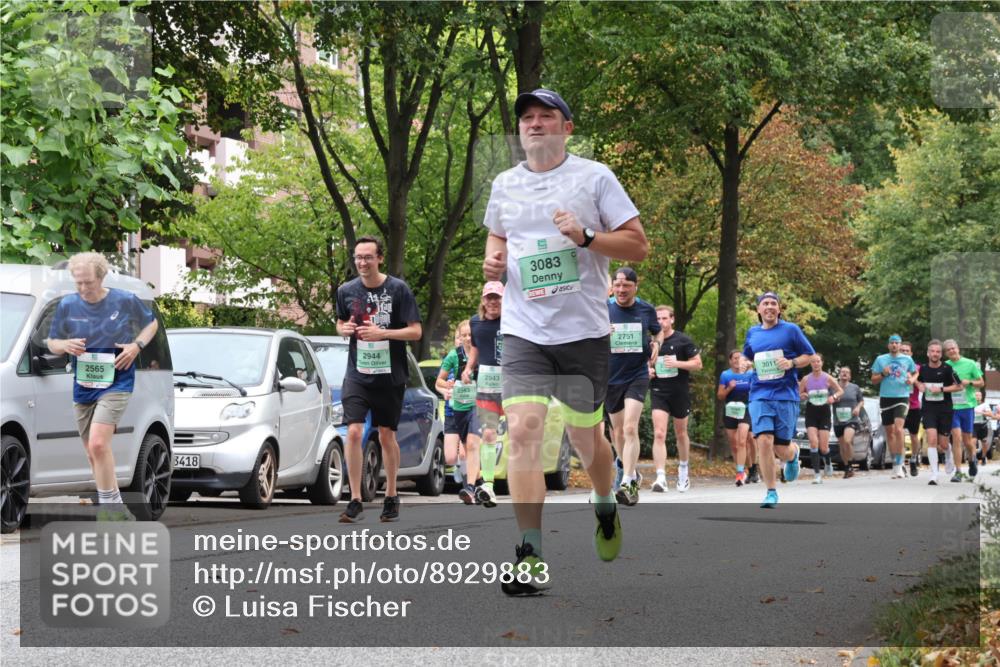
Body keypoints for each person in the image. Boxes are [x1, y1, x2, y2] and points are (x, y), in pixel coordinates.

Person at [481, 87, 648, 595]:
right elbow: (498, 238)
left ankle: (604, 502)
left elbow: (638, 246)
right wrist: (493, 266)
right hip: (524, 330)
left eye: (546, 117)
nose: (534, 124)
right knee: (525, 430)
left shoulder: (594, 177)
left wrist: (587, 238)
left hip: (583, 334)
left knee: (584, 438)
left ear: (566, 128)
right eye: (527, 117)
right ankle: (530, 553)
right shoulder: (504, 183)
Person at [47, 252, 159, 521]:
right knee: (92, 451)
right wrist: (64, 345)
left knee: (98, 444)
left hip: (117, 381)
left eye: (89, 283)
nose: (84, 289)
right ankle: (116, 505)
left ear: (101, 277)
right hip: (84, 384)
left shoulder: (124, 300)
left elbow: (151, 324)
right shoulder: (68, 305)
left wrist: (136, 346)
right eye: (79, 283)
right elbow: (52, 341)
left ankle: (109, 509)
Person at [336, 236, 422, 523]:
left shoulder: (398, 289)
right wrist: (344, 328)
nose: (362, 262)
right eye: (358, 257)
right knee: (354, 432)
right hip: (357, 374)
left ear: (379, 258)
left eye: (368, 257)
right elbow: (339, 322)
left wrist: (383, 333)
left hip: (390, 375)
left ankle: (392, 494)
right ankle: (355, 499)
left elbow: (415, 332)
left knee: (386, 435)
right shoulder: (346, 290)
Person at [742, 291, 816, 508]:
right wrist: (746, 363)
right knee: (763, 439)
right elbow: (747, 355)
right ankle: (771, 492)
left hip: (785, 395)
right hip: (759, 393)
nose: (770, 307)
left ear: (779, 309)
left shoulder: (790, 330)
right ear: (758, 309)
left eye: (773, 303)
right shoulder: (753, 333)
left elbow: (808, 356)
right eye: (765, 303)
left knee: (781, 447)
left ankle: (793, 456)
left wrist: (792, 363)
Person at [605, 267, 660, 505]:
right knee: (617, 432)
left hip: (637, 373)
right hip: (609, 376)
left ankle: (628, 481)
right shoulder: (603, 308)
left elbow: (658, 333)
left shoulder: (645, 309)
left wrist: (657, 345)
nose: (620, 289)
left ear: (635, 287)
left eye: (626, 285)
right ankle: (632, 470)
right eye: (617, 285)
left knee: (629, 428)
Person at [649, 305, 703, 492]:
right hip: (658, 391)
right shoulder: (650, 341)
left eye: (664, 318)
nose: (661, 322)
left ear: (672, 319)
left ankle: (683, 469)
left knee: (681, 433)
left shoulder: (683, 340)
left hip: (679, 391)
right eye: (657, 319)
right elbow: (643, 364)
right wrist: (648, 371)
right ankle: (661, 477)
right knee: (659, 433)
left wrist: (677, 363)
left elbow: (698, 364)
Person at [462, 281, 506, 508]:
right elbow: (477, 348)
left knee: (519, 436)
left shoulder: (513, 320)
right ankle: (488, 485)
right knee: (488, 434)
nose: (493, 302)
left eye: (497, 297)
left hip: (513, 386)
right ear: (483, 300)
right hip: (487, 387)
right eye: (489, 297)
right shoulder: (475, 322)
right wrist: (469, 368)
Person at [436, 320, 483, 505]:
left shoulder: (482, 353)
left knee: (467, 451)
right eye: (464, 335)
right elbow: (439, 381)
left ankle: (469, 488)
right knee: (450, 457)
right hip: (453, 410)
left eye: (470, 335)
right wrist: (445, 387)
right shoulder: (453, 356)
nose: (467, 338)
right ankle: (479, 483)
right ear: (459, 337)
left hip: (475, 407)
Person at [914, 340, 962, 485]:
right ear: (928, 353)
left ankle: (948, 454)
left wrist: (941, 389)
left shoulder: (948, 369)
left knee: (943, 444)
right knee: (932, 439)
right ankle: (934, 474)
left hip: (945, 409)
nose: (935, 354)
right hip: (929, 409)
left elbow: (959, 386)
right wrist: (919, 384)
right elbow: (915, 380)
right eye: (932, 351)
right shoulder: (922, 369)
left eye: (938, 352)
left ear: (941, 354)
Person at [871, 335, 918, 479]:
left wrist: (912, 379)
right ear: (888, 345)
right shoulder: (881, 359)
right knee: (890, 432)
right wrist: (883, 374)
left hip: (902, 397)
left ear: (900, 345)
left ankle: (900, 462)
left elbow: (915, 372)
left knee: (898, 429)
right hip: (886, 398)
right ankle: (895, 463)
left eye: (897, 343)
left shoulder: (907, 359)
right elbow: (873, 380)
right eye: (892, 343)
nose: (894, 345)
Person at [797, 354, 843, 484]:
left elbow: (840, 391)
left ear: (822, 363)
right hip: (811, 412)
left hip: (824, 413)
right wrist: (803, 395)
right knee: (813, 443)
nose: (816, 364)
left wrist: (833, 397)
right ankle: (817, 475)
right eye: (813, 362)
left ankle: (827, 461)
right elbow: (799, 394)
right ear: (810, 364)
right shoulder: (806, 379)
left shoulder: (827, 378)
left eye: (818, 361)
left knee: (823, 447)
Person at [944, 339, 985, 482]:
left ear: (958, 348)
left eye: (953, 348)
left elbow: (981, 382)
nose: (951, 351)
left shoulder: (970, 363)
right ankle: (958, 471)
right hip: (951, 407)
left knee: (967, 441)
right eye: (948, 349)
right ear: (946, 353)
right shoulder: (945, 366)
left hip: (967, 406)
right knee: (956, 437)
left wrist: (970, 382)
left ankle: (972, 458)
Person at [718, 350, 754, 486]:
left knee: (742, 441)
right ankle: (742, 469)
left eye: (740, 358)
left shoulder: (750, 374)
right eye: (734, 358)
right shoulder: (725, 375)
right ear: (730, 361)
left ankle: (739, 474)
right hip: (731, 410)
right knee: (733, 444)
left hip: (746, 409)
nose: (737, 361)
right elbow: (720, 396)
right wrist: (729, 388)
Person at [832, 367, 864, 479]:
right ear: (839, 374)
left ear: (850, 376)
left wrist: (858, 408)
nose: (844, 374)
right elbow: (828, 399)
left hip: (852, 419)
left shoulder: (855, 388)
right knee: (842, 445)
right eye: (842, 372)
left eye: (847, 372)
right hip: (838, 420)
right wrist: (833, 399)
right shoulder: (833, 387)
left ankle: (850, 466)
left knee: (847, 440)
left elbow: (861, 400)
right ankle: (847, 467)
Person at [900, 341, 923, 477]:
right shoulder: (896, 367)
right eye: (902, 350)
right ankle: (901, 462)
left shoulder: (918, 368)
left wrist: (912, 379)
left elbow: (921, 387)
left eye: (907, 350)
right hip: (899, 405)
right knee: (899, 434)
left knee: (914, 435)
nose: (904, 352)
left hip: (914, 406)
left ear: (911, 353)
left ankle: (913, 458)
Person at [740, 354, 760, 483]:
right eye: (743, 360)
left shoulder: (755, 374)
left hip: (753, 408)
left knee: (752, 439)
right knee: (744, 441)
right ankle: (750, 469)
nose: (745, 363)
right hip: (741, 409)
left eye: (747, 360)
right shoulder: (735, 375)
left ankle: (755, 470)